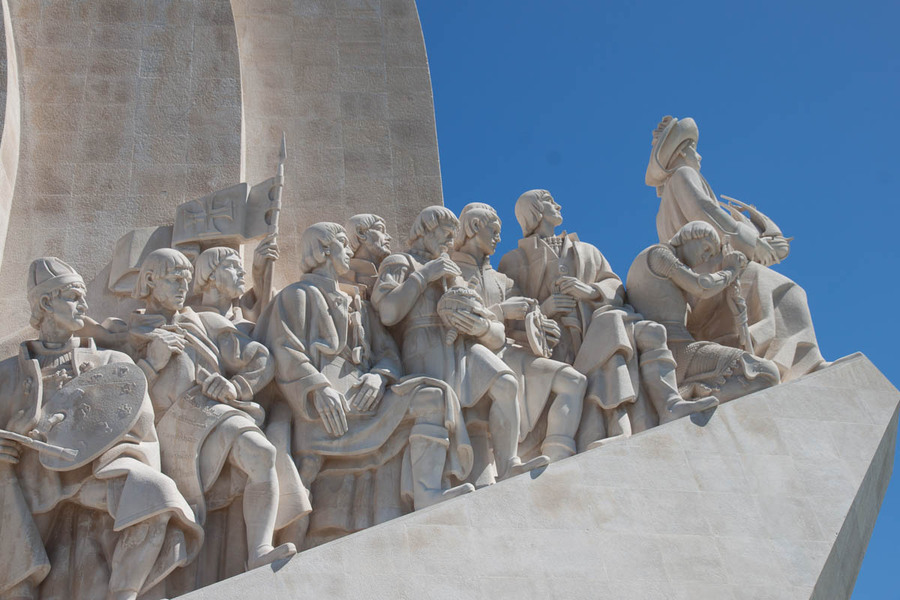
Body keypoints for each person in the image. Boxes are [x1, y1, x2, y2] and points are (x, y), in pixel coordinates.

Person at [256, 223, 474, 547]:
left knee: (432, 396)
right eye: (343, 245)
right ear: (324, 250)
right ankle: (283, 544)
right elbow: (284, 349)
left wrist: (379, 376)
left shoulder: (358, 303)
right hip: (321, 410)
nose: (349, 253)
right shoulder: (296, 295)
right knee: (305, 474)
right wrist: (318, 389)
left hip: (366, 399)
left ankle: (428, 493)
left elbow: (388, 354)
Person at [0, 258, 203, 600]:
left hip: (93, 474)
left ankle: (123, 594)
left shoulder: (111, 362)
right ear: (47, 303)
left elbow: (140, 426)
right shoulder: (6, 374)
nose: (85, 306)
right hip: (29, 483)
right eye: (74, 297)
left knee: (157, 494)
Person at [129, 249, 307, 588]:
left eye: (186, 279)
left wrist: (234, 384)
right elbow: (122, 394)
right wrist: (152, 361)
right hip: (166, 428)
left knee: (262, 453)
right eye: (175, 279)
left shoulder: (200, 320)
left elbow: (260, 358)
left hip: (208, 410)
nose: (184, 286)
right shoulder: (126, 331)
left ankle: (259, 550)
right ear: (151, 281)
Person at [499, 190, 717, 448]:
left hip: (597, 327)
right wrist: (545, 309)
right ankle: (618, 424)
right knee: (613, 327)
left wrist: (590, 291)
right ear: (533, 210)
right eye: (549, 201)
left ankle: (669, 403)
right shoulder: (513, 262)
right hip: (557, 349)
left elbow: (614, 286)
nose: (558, 204)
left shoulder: (587, 250)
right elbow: (510, 321)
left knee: (645, 330)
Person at [373, 206, 548, 488]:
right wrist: (424, 275)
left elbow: (473, 308)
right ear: (426, 230)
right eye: (445, 234)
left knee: (506, 383)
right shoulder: (400, 262)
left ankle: (508, 465)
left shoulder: (450, 268)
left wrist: (475, 314)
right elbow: (389, 313)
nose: (450, 242)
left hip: (460, 344)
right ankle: (434, 487)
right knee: (443, 410)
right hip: (423, 343)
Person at [646, 115, 828, 381]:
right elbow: (708, 215)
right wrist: (756, 245)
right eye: (694, 150)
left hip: (707, 274)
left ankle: (782, 359)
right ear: (683, 152)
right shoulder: (684, 175)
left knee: (777, 292)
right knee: (788, 292)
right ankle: (804, 364)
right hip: (712, 269)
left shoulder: (670, 196)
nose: (700, 157)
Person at [451, 203, 586, 463]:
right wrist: (502, 310)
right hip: (468, 355)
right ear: (475, 226)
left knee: (574, 381)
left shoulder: (505, 281)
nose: (499, 238)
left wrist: (541, 326)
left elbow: (519, 328)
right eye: (494, 230)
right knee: (504, 384)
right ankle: (507, 464)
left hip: (508, 351)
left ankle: (558, 461)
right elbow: (456, 319)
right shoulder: (450, 271)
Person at [627, 221, 781, 402]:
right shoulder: (659, 254)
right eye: (706, 248)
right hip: (674, 351)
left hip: (679, 351)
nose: (705, 257)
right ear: (690, 237)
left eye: (710, 254)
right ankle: (690, 394)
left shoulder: (673, 282)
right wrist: (731, 270)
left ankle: (692, 393)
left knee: (762, 375)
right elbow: (702, 286)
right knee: (765, 372)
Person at [191, 234, 279, 334]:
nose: (242, 272)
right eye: (232, 265)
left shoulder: (246, 327)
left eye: (240, 266)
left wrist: (258, 272)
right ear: (210, 274)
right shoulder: (189, 320)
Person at [342, 213, 393, 300]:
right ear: (361, 233)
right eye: (380, 229)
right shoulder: (342, 276)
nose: (389, 237)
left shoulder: (394, 271)